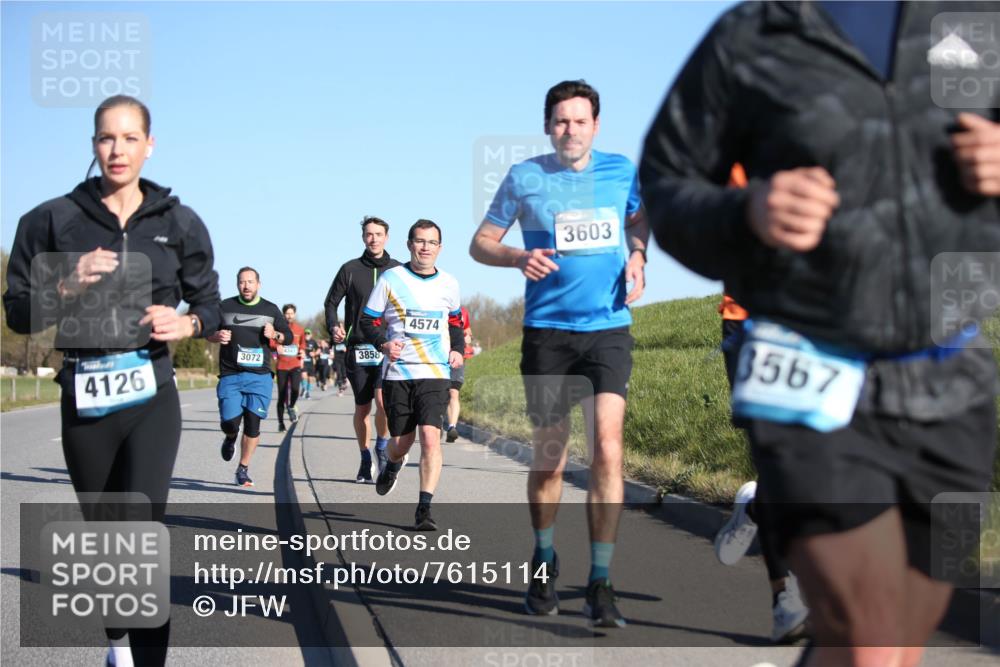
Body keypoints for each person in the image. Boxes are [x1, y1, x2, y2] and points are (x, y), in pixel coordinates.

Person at [639, 3, 1000, 665]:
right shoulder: (756, 33)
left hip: (950, 380)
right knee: (869, 634)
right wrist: (746, 208)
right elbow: (664, 183)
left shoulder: (974, 23)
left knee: (891, 642)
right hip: (807, 367)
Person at [3, 94, 221, 667]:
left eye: (129, 138)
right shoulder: (50, 220)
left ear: (150, 144)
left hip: (152, 391)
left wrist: (188, 322)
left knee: (143, 539)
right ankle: (117, 638)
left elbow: (210, 305)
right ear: (93, 144)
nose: (117, 149)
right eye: (106, 138)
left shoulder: (180, 223)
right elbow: (19, 313)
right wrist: (67, 283)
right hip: (84, 393)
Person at [469, 80, 649, 627]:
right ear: (549, 126)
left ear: (597, 125)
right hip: (547, 333)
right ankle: (544, 555)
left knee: (608, 452)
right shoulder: (525, 177)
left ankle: (601, 579)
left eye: (580, 120)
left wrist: (638, 256)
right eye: (560, 121)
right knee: (549, 456)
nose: (570, 130)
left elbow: (638, 219)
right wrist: (518, 257)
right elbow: (480, 242)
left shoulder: (621, 171)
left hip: (608, 329)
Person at [713, 165, 809, 643]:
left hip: (823, 314)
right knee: (778, 460)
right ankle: (784, 598)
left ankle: (755, 509)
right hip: (750, 321)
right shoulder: (735, 152)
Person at [361, 219, 464, 531]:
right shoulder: (392, 279)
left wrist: (457, 348)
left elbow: (457, 321)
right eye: (419, 241)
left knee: (431, 438)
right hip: (398, 374)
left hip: (435, 374)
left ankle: (424, 508)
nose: (425, 247)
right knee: (402, 442)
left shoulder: (449, 283)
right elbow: (368, 320)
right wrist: (383, 343)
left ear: (440, 248)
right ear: (409, 245)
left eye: (431, 242)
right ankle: (392, 462)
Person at [325, 216, 400, 482]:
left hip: (387, 347)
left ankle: (381, 445)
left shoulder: (398, 271)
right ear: (363, 238)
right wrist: (334, 326)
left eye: (378, 234)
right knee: (362, 408)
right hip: (358, 346)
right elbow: (331, 302)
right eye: (369, 234)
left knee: (383, 402)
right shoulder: (350, 269)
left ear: (387, 237)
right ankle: (365, 455)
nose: (374, 239)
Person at [207, 267, 291, 487]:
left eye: (250, 282)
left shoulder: (270, 309)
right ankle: (230, 437)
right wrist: (216, 336)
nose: (246, 286)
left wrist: (275, 335)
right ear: (237, 284)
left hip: (260, 377)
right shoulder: (224, 307)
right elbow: (207, 332)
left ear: (258, 284)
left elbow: (288, 337)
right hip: (231, 375)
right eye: (242, 282)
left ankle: (243, 469)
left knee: (253, 424)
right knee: (230, 422)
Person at [271, 303, 306, 433]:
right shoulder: (278, 329)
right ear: (283, 314)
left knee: (296, 389)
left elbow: (302, 344)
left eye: (291, 313)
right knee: (282, 395)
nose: (289, 315)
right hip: (282, 365)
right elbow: (271, 342)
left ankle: (291, 406)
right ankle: (280, 423)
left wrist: (302, 351)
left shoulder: (299, 329)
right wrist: (276, 347)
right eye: (287, 313)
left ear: (294, 314)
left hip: (295, 364)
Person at [443, 306, 474, 443]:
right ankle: (437, 425)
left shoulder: (462, 311)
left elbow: (468, 332)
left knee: (454, 393)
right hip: (438, 356)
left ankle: (451, 427)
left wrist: (467, 337)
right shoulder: (434, 306)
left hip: (457, 357)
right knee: (440, 393)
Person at [300, 328, 317, 399]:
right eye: (305, 333)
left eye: (308, 333)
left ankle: (307, 392)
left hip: (310, 363)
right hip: (303, 362)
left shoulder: (313, 342)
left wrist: (314, 353)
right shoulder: (301, 341)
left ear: (311, 335)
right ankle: (304, 388)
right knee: (304, 376)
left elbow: (318, 349)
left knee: (311, 378)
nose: (307, 335)